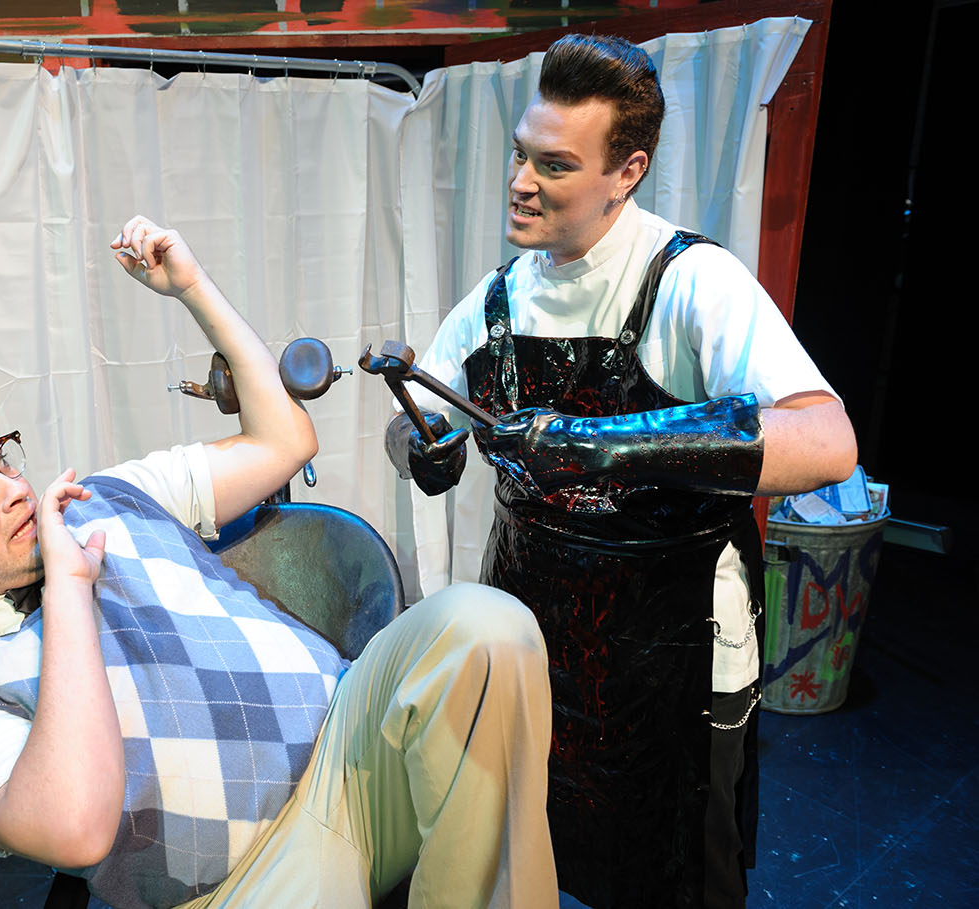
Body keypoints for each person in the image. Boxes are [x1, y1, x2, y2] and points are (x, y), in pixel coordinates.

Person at [0, 216, 557, 908]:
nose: (11, 490)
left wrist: (191, 287)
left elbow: (284, 443)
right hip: (249, 881)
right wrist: (68, 590)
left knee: (486, 625)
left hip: (353, 747)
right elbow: (75, 830)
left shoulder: (108, 496)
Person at [383, 35, 856, 909]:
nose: (521, 182)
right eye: (520, 155)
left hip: (673, 649)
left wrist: (606, 444)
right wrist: (417, 444)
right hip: (529, 633)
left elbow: (828, 440)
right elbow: (421, 411)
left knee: (675, 871)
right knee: (522, 853)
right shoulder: (498, 299)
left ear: (626, 171)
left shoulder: (692, 281)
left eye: (555, 165)